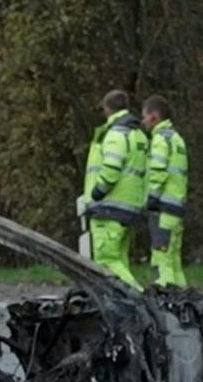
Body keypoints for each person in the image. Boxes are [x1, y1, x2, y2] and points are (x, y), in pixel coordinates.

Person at [81, 90, 148, 289]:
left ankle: (141, 300)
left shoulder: (115, 134)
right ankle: (127, 309)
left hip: (109, 207)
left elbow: (111, 167)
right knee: (120, 260)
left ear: (107, 109)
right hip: (129, 206)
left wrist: (97, 192)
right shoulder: (138, 135)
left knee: (106, 260)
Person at [142, 95, 189, 288]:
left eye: (145, 116)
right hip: (176, 207)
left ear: (155, 116)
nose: (143, 121)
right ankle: (184, 299)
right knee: (174, 260)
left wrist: (152, 196)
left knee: (162, 260)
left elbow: (158, 171)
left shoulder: (160, 139)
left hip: (163, 208)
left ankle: (166, 299)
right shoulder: (176, 139)